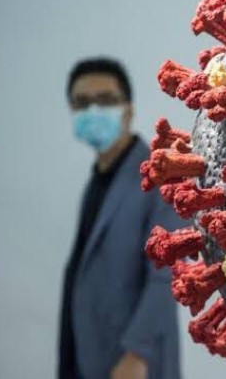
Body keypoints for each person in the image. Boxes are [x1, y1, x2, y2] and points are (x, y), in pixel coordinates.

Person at [59, 58, 183, 379]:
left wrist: (137, 353)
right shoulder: (99, 178)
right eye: (82, 103)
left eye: (105, 100)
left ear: (128, 109)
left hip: (132, 361)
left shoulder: (160, 175)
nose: (93, 111)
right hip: (87, 350)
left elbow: (167, 276)